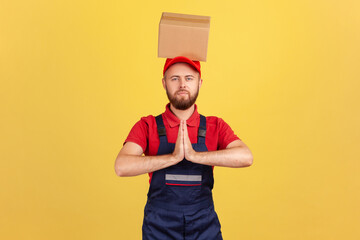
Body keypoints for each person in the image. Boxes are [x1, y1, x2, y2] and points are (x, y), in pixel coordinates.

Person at [115, 56, 253, 240]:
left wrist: (195, 155)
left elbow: (246, 157)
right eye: (175, 78)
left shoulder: (215, 125)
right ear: (164, 83)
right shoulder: (147, 125)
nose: (182, 84)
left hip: (204, 225)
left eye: (189, 78)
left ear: (199, 83)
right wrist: (172, 157)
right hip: (159, 227)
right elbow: (121, 166)